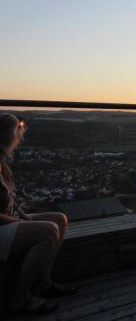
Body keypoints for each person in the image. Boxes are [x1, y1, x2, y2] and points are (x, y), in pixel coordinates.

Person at [0, 113, 76, 315]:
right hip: (2, 226)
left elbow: (12, 201)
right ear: (7, 137)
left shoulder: (3, 165)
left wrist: (24, 219)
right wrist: (20, 223)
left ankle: (43, 283)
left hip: (9, 222)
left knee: (59, 219)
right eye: (17, 134)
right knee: (48, 231)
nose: (19, 139)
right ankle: (18, 298)